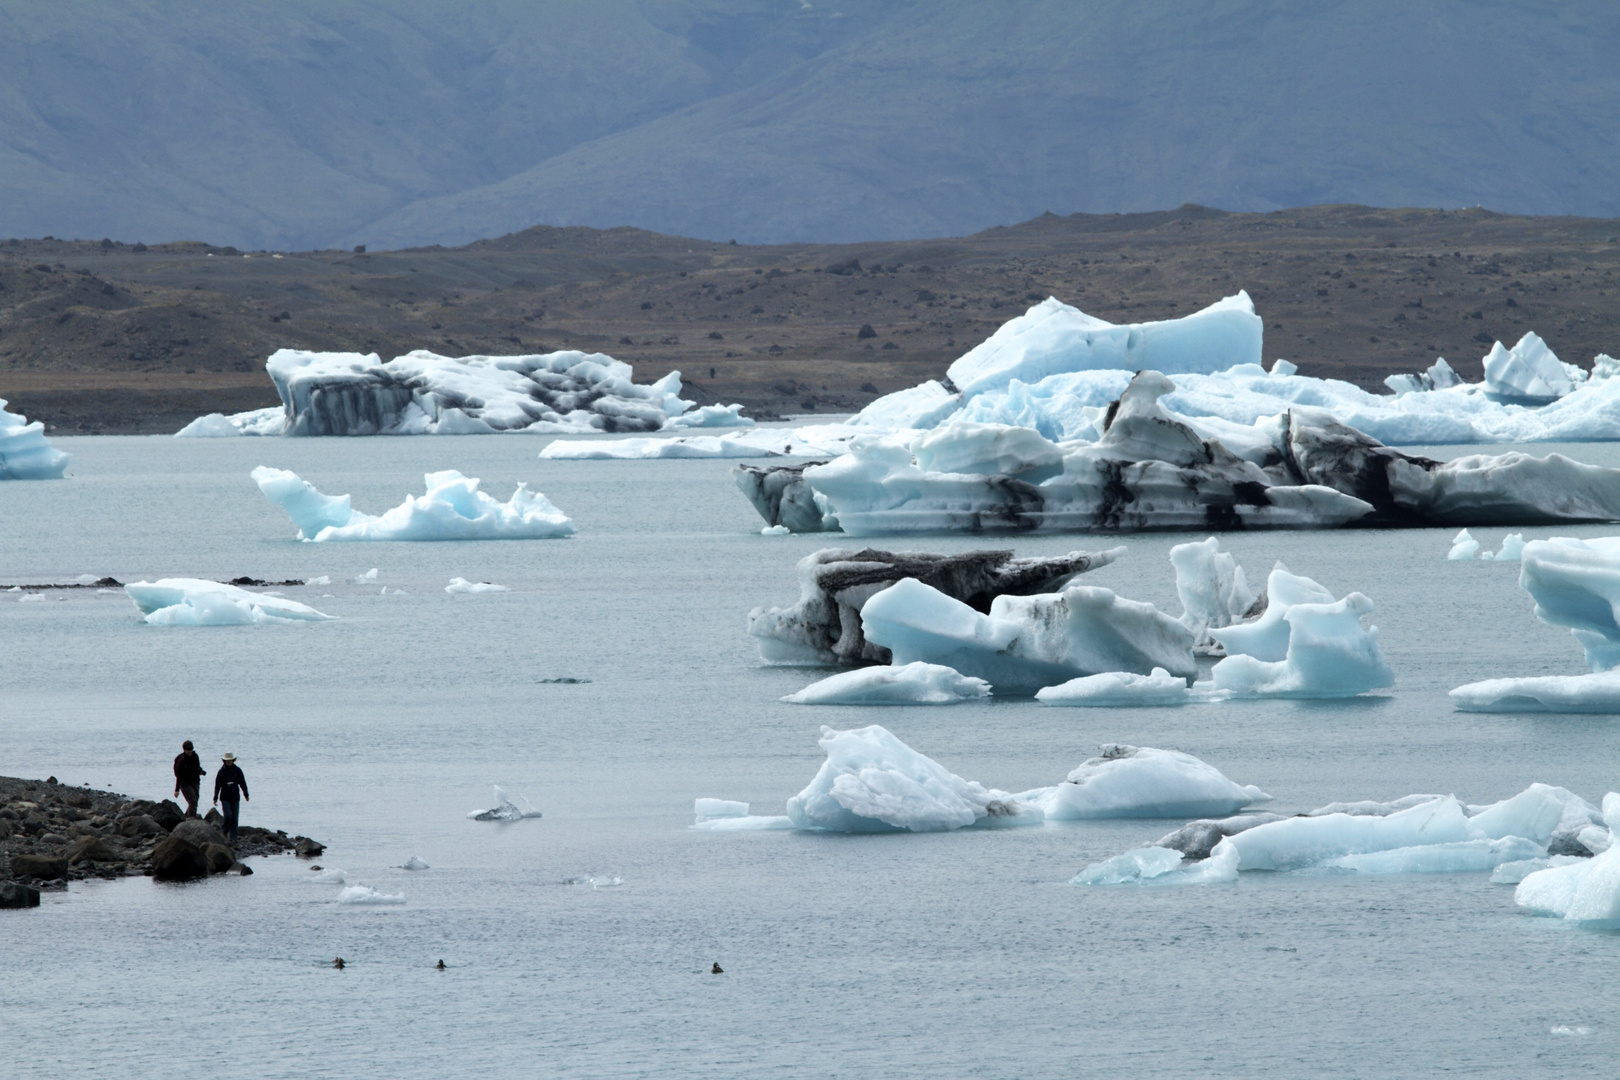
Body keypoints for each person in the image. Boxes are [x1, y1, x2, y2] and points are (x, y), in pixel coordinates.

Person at [212, 752, 250, 843]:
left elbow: (243, 783)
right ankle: (224, 831)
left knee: (235, 817)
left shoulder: (237, 770)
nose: (229, 762)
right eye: (227, 760)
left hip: (235, 797)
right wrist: (215, 797)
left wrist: (246, 794)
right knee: (228, 815)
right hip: (225, 797)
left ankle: (233, 837)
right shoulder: (221, 771)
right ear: (224, 761)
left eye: (230, 760)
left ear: (233, 760)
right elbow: (217, 785)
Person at [172, 740, 206, 818]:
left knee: (195, 801)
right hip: (185, 783)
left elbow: (197, 767)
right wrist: (177, 790)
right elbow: (179, 776)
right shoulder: (181, 760)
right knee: (192, 801)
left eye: (191, 749)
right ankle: (192, 820)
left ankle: (186, 817)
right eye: (188, 750)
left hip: (195, 781)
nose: (190, 751)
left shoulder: (195, 756)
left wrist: (201, 771)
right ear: (184, 750)